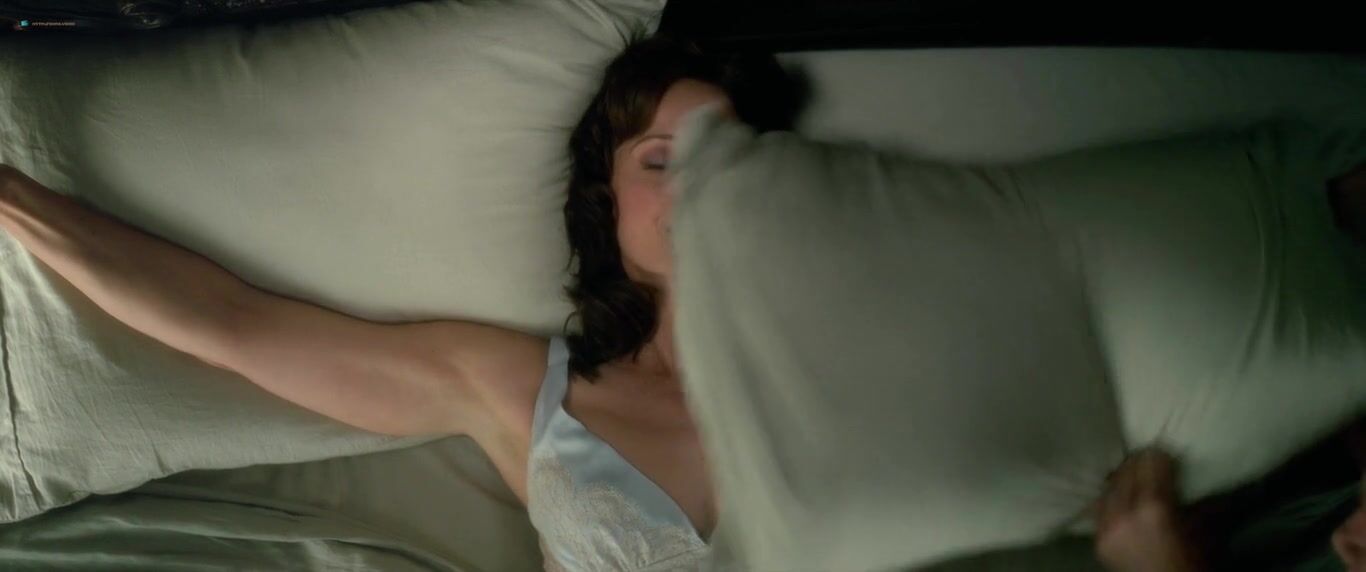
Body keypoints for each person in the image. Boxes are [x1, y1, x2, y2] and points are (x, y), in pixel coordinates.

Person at [0, 35, 1364, 571]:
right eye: (665, 161)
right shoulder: (517, 388)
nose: (706, 190)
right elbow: (230, 325)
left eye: (731, 158)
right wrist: (12, 194)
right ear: (607, 203)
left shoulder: (894, 356)